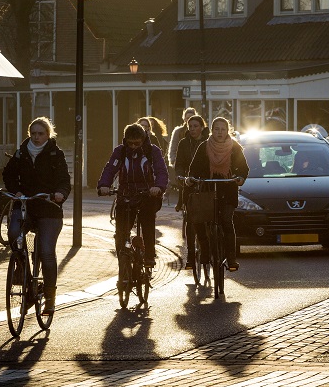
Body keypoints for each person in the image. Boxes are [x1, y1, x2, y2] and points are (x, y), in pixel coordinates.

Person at [2, 117, 71, 315]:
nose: (36, 137)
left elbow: (65, 181)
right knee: (14, 235)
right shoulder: (21, 153)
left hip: (49, 207)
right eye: (33, 133)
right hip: (25, 205)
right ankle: (23, 273)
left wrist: (60, 194)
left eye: (40, 134)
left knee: (46, 252)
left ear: (48, 135)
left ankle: (50, 298)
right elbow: (8, 175)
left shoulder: (55, 154)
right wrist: (15, 191)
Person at [97, 123, 168, 267]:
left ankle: (149, 256)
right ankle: (122, 261)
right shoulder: (121, 151)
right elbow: (110, 168)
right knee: (121, 230)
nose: (134, 146)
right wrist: (104, 185)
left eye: (137, 143)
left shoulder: (152, 151)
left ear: (143, 140)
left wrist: (158, 187)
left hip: (147, 194)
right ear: (126, 141)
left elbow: (161, 171)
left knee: (147, 221)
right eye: (130, 143)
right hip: (126, 194)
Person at [186, 117, 249, 271]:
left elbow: (243, 168)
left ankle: (232, 259)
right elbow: (193, 169)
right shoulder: (204, 147)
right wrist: (192, 179)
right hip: (207, 191)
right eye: (216, 129)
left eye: (223, 129)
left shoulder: (235, 148)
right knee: (199, 221)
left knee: (227, 222)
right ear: (212, 131)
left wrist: (240, 178)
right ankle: (205, 251)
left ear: (228, 131)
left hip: (227, 192)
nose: (220, 132)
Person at [174, 115, 209, 269]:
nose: (193, 129)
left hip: (207, 184)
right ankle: (190, 255)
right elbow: (179, 163)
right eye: (190, 126)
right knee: (190, 220)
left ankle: (210, 246)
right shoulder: (183, 144)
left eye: (196, 126)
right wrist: (182, 177)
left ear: (202, 127)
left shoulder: (209, 142)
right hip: (189, 184)